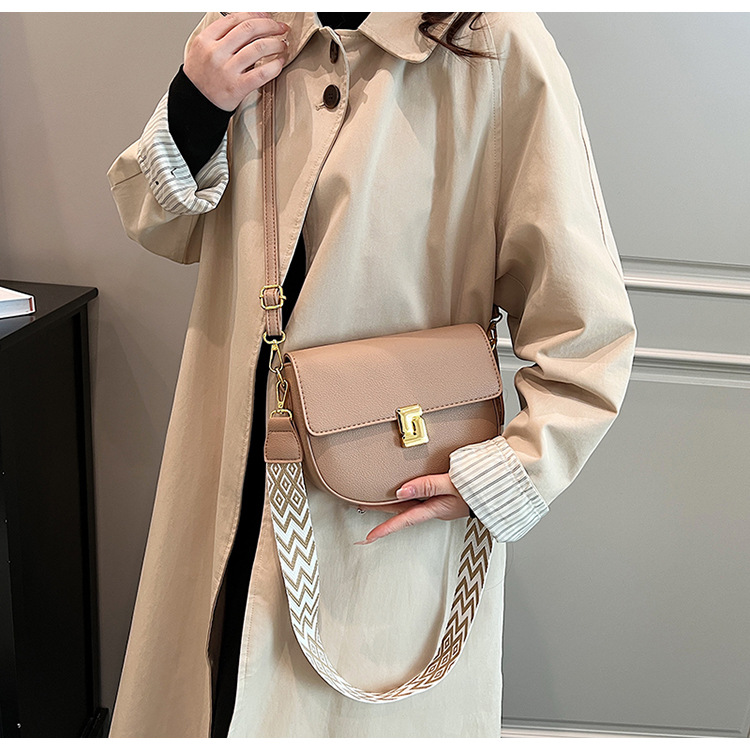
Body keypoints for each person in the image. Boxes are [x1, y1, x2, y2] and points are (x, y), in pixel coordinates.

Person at [106, 12, 637, 738]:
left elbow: (588, 330)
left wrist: (507, 475)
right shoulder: (252, 25)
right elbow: (162, 226)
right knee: (211, 697)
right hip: (231, 480)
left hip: (378, 507)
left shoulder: (494, 45)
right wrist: (197, 102)